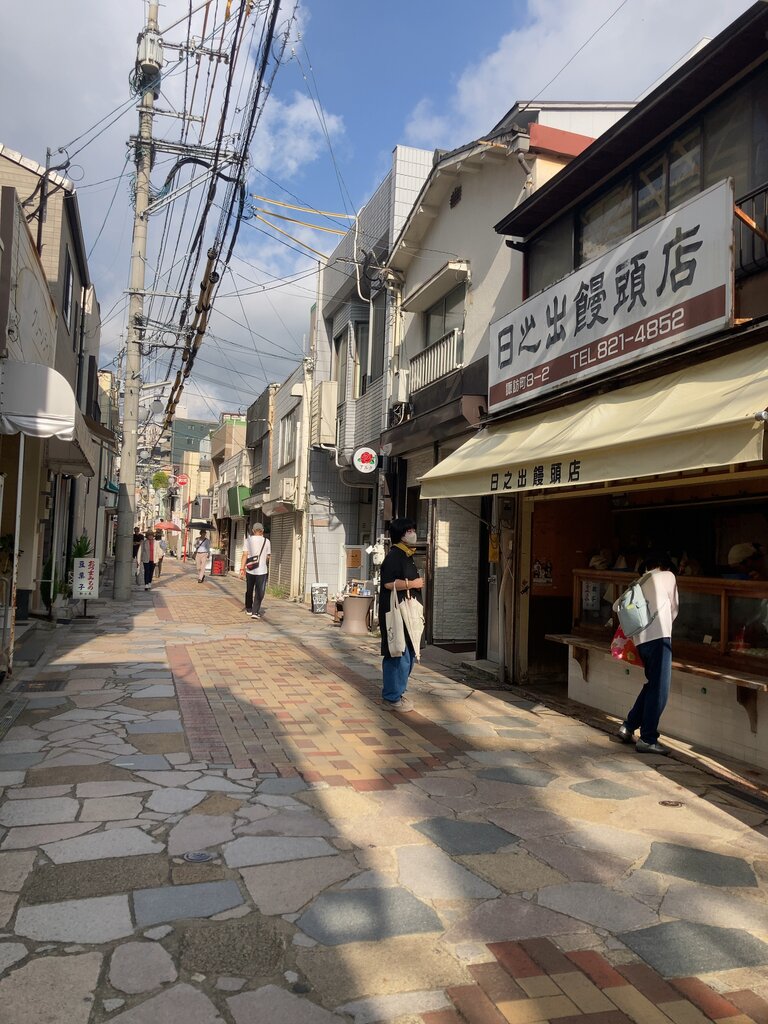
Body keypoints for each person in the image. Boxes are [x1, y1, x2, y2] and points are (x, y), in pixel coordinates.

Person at [614, 552, 679, 754]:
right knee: (659, 690)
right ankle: (648, 738)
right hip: (660, 638)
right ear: (664, 565)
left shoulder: (639, 582)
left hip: (640, 641)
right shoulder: (668, 576)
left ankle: (628, 726)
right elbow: (674, 609)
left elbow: (618, 606)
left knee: (653, 685)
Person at [378, 518, 424, 713]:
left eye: (413, 529)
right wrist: (412, 584)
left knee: (408, 654)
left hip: (408, 612)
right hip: (396, 613)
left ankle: (398, 693)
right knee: (397, 652)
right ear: (401, 535)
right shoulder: (394, 556)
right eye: (409, 530)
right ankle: (391, 697)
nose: (413, 533)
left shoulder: (407, 554)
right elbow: (388, 583)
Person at [239, 522, 270, 619]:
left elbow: (245, 555)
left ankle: (248, 608)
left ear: (253, 531)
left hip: (250, 569)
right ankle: (255, 612)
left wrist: (242, 568)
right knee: (259, 591)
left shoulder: (248, 540)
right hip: (262, 570)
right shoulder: (267, 541)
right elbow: (268, 556)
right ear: (262, 531)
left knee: (249, 589)